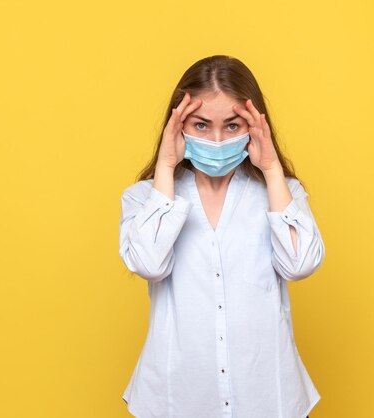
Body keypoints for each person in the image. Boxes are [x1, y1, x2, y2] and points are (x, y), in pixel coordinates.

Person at [118, 55, 324, 418]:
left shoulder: (281, 194)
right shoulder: (144, 198)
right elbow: (149, 264)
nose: (216, 140)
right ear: (177, 126)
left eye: (232, 126)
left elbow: (301, 264)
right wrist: (165, 168)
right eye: (200, 125)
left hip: (267, 398)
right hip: (176, 399)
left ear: (254, 126)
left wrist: (273, 169)